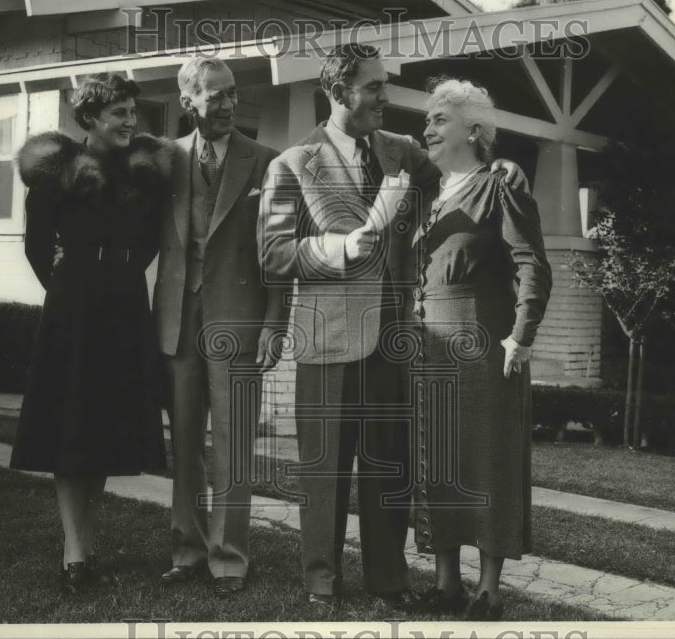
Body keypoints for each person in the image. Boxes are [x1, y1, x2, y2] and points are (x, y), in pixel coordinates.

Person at [258, 44, 526, 612]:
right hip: (326, 339)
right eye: (375, 87)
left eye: (385, 84)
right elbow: (274, 256)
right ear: (339, 93)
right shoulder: (291, 164)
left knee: (390, 468)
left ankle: (387, 580)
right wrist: (336, 248)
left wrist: (498, 164)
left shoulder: (403, 153)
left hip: (397, 340)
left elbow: (461, 173)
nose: (387, 96)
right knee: (324, 471)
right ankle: (321, 583)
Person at [10, 73, 171, 595]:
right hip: (74, 306)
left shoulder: (145, 173)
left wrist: (120, 274)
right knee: (71, 425)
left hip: (124, 304)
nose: (130, 121)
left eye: (132, 111)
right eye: (119, 113)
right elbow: (37, 246)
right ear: (89, 119)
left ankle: (87, 545)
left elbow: (149, 242)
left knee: (101, 426)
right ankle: (74, 552)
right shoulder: (55, 172)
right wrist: (68, 286)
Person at [411, 78, 552, 620]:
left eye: (439, 119)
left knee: (489, 463)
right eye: (427, 119)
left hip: (485, 342)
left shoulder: (501, 184)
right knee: (437, 460)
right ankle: (446, 583)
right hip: (428, 346)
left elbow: (532, 264)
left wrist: (521, 334)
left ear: (473, 130)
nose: (427, 128)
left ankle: (488, 591)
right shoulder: (427, 192)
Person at [154, 56, 289, 597]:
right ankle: (186, 550)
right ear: (189, 102)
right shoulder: (162, 161)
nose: (229, 104)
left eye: (233, 93)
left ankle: (229, 558)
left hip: (242, 320)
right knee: (184, 442)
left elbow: (279, 253)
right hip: (177, 320)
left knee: (233, 445)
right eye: (216, 96)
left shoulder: (267, 162)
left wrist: (276, 321)